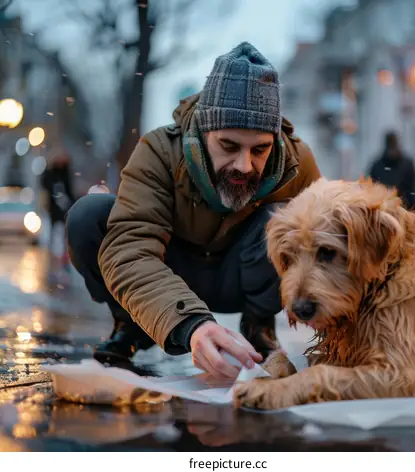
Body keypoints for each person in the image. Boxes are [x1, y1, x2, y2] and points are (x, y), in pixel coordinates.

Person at [65, 42, 322, 379]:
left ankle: (259, 325)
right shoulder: (158, 151)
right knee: (88, 216)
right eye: (229, 146)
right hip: (171, 269)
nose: (245, 165)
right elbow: (129, 252)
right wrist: (192, 326)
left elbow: (331, 247)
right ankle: (131, 324)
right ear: (203, 131)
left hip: (244, 279)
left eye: (259, 149)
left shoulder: (297, 162)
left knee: (293, 221)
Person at [367, 131, 415, 215]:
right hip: (391, 211)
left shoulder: (377, 165)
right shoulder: (406, 163)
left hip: (395, 210)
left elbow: (413, 188)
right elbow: (414, 188)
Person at [40, 152, 76, 276]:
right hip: (54, 210)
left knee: (64, 237)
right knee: (53, 236)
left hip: (63, 210)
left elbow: (69, 189)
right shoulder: (52, 173)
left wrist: (72, 203)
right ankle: (53, 262)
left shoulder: (65, 173)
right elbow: (45, 183)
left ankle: (64, 262)